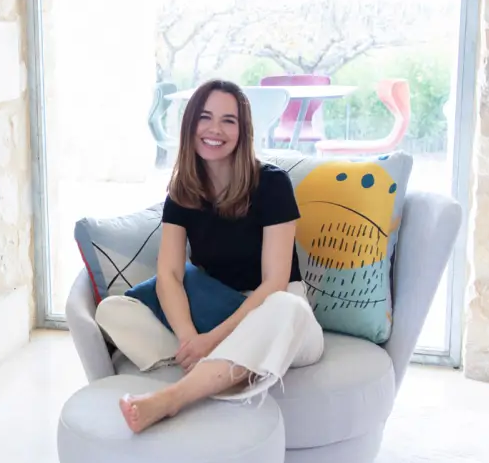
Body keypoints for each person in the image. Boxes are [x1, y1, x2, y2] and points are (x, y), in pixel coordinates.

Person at [95, 79, 324, 434]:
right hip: (214, 310)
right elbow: (170, 275)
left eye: (228, 120)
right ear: (190, 125)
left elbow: (275, 283)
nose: (214, 129)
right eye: (205, 117)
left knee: (286, 306)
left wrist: (211, 339)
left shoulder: (272, 184)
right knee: (112, 310)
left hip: (275, 313)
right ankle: (222, 365)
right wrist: (191, 338)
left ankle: (174, 398)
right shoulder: (182, 192)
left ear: (243, 131)